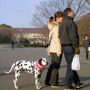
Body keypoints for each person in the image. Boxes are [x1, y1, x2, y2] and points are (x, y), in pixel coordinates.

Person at [59, 8, 83, 90]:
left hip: (64, 46)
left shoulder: (62, 23)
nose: (73, 13)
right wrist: (76, 46)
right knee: (71, 66)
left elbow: (60, 36)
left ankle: (77, 82)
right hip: (70, 46)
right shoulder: (71, 23)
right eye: (72, 12)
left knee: (72, 64)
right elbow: (73, 36)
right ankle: (67, 85)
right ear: (69, 13)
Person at [45, 11, 63, 88]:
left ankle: (47, 81)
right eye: (62, 17)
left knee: (52, 66)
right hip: (57, 48)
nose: (63, 18)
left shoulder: (52, 25)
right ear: (58, 18)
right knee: (56, 66)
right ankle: (53, 83)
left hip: (52, 48)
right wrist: (59, 50)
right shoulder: (57, 27)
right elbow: (58, 39)